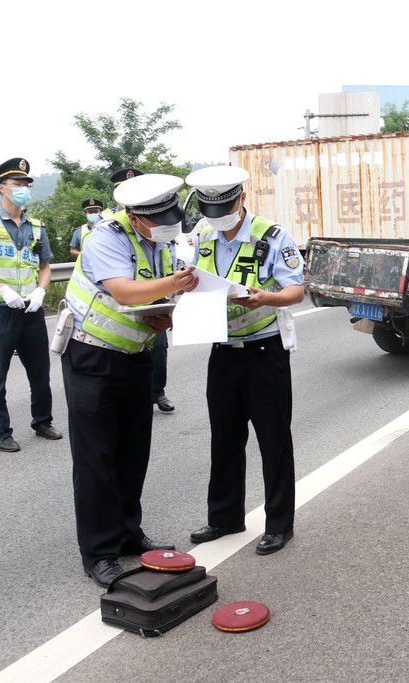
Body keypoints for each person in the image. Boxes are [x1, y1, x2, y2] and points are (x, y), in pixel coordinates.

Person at [60, 173, 198, 586]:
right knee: (96, 457)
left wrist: (167, 310)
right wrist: (174, 284)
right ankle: (99, 551)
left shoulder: (161, 239)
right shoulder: (106, 236)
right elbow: (122, 291)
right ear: (136, 218)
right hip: (92, 354)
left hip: (137, 353)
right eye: (158, 220)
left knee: (132, 452)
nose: (166, 227)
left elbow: (156, 294)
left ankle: (127, 533)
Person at [186, 165, 304, 556]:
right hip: (222, 351)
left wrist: (265, 297)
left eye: (224, 209)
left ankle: (279, 524)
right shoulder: (202, 235)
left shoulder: (271, 237)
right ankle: (224, 517)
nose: (218, 219)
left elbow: (296, 291)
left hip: (264, 350)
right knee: (224, 438)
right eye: (210, 211)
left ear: (241, 199)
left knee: (272, 439)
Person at [0, 158, 61, 452]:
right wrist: (2, 289)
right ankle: (1, 431)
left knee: (40, 370)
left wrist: (41, 292)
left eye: (26, 185)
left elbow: (45, 266)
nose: (23, 189)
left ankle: (42, 421)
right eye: (17, 185)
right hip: (0, 310)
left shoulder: (36, 226)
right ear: (2, 188)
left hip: (31, 309)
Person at [109, 167, 175, 412]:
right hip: (124, 302)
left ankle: (158, 391)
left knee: (158, 349)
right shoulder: (111, 229)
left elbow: (168, 257)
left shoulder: (158, 223)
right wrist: (176, 281)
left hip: (156, 296)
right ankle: (136, 394)